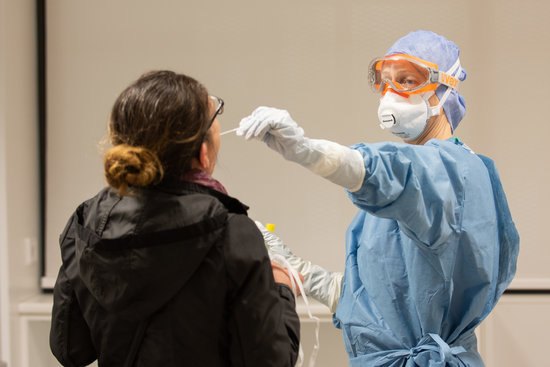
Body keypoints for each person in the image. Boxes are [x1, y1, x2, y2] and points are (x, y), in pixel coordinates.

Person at [238, 30, 519, 366]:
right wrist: (303, 273)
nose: (390, 94)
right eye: (384, 82)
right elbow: (384, 296)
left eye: (406, 81)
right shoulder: (415, 185)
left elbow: (382, 173)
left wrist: (305, 150)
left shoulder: (448, 173)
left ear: (444, 90)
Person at [49, 70, 301, 367]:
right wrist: (281, 287)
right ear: (203, 154)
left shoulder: (86, 222)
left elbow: (71, 349)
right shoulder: (231, 234)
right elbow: (273, 361)